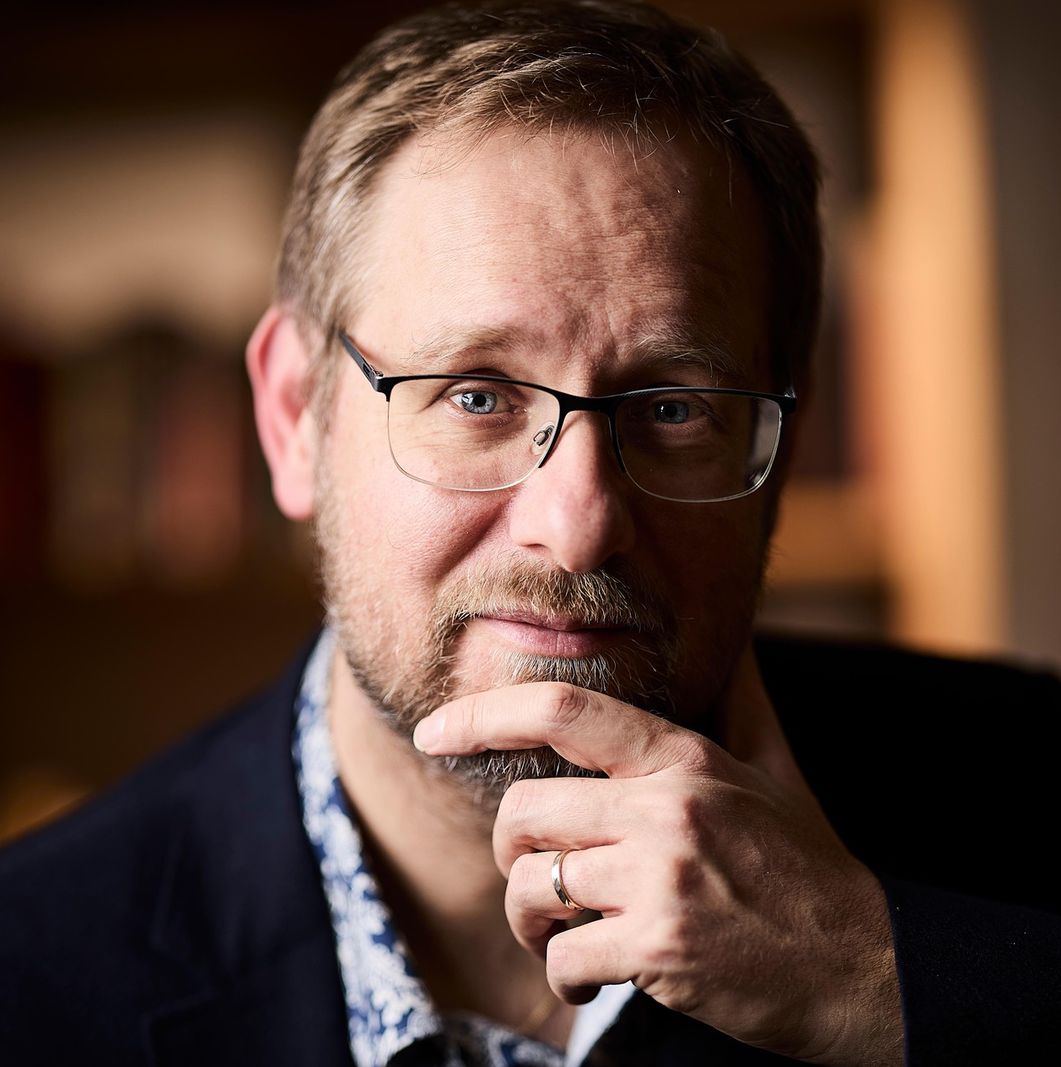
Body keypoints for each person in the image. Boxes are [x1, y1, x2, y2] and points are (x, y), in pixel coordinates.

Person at [1, 2, 1059, 1064]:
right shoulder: (30, 967)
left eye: (672, 407)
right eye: (474, 395)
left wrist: (886, 980)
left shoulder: (1022, 791)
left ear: (780, 436)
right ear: (291, 415)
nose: (579, 523)